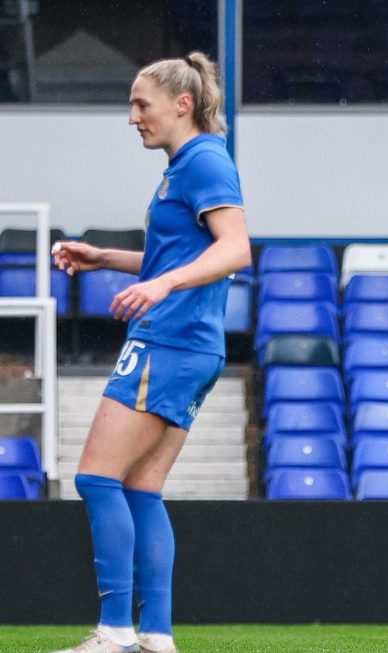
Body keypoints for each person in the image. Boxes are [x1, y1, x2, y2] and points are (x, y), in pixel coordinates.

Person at [50, 51, 250, 653]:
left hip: (168, 339)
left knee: (95, 477)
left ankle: (115, 630)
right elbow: (179, 255)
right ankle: (156, 636)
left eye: (141, 104)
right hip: (190, 344)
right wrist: (104, 258)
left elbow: (235, 249)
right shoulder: (188, 165)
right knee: (141, 488)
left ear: (182, 104)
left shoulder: (204, 160)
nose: (132, 117)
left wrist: (162, 287)